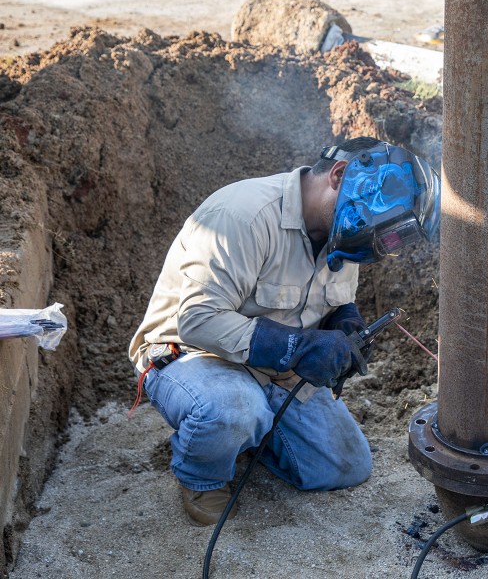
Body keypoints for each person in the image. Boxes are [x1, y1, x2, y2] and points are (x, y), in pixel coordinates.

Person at [128, 136, 440, 526]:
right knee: (233, 409)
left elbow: (331, 300)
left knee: (346, 466)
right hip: (192, 356)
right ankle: (202, 476)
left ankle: (244, 435)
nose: (374, 241)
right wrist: (298, 347)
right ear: (339, 175)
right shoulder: (243, 214)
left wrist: (345, 324)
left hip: (272, 364)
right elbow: (199, 319)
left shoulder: (343, 232)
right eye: (376, 225)